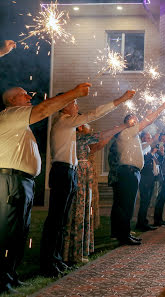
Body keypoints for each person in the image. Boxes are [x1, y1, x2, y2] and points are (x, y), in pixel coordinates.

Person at [0, 83, 91, 294]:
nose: (29, 97)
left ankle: (10, 274)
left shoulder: (20, 124)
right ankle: (2, 278)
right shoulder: (10, 114)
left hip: (23, 182)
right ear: (12, 101)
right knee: (8, 231)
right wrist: (73, 93)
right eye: (24, 95)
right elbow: (43, 109)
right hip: (11, 181)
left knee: (20, 231)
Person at [40, 90, 135, 277]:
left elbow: (97, 137)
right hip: (62, 171)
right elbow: (94, 114)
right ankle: (48, 261)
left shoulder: (70, 126)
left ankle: (56, 258)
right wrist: (120, 100)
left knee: (62, 221)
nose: (77, 106)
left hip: (70, 171)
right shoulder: (64, 122)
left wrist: (122, 125)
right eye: (74, 103)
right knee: (56, 220)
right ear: (64, 106)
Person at [63, 122, 131, 264]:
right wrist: (121, 127)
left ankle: (80, 249)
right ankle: (74, 252)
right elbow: (99, 140)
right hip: (80, 176)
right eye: (88, 128)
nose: (91, 130)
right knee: (79, 212)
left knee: (85, 211)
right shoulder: (80, 138)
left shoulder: (80, 139)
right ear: (80, 127)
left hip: (84, 176)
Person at [110, 100, 165, 245]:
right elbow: (147, 122)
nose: (138, 123)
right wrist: (162, 107)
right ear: (129, 122)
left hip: (131, 172)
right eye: (136, 120)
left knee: (127, 204)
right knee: (126, 205)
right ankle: (123, 235)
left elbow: (145, 141)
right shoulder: (126, 132)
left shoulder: (132, 136)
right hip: (128, 171)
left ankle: (123, 233)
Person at [135, 132, 159, 231]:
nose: (149, 139)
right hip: (144, 177)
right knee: (144, 201)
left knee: (147, 201)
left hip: (150, 177)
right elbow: (144, 159)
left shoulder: (148, 147)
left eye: (150, 137)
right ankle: (140, 224)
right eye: (147, 137)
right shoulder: (142, 146)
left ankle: (144, 222)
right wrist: (155, 138)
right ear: (143, 138)